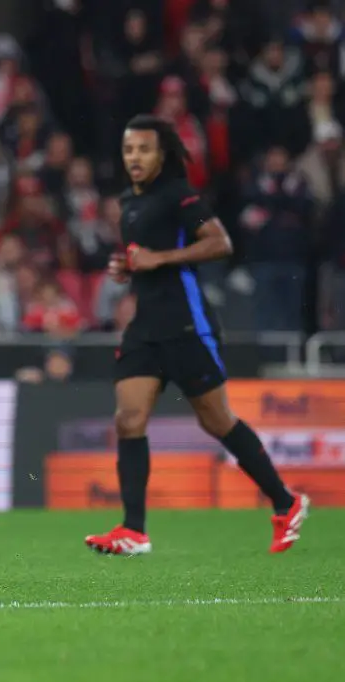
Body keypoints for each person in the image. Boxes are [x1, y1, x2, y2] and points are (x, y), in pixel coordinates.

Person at [85, 115, 308, 556]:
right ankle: (133, 530)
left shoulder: (180, 195)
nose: (134, 157)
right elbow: (145, 260)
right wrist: (128, 267)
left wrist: (159, 258)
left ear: (162, 153)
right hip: (146, 327)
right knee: (128, 418)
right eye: (129, 150)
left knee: (216, 420)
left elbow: (220, 242)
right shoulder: (129, 202)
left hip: (186, 324)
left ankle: (286, 502)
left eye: (144, 149)